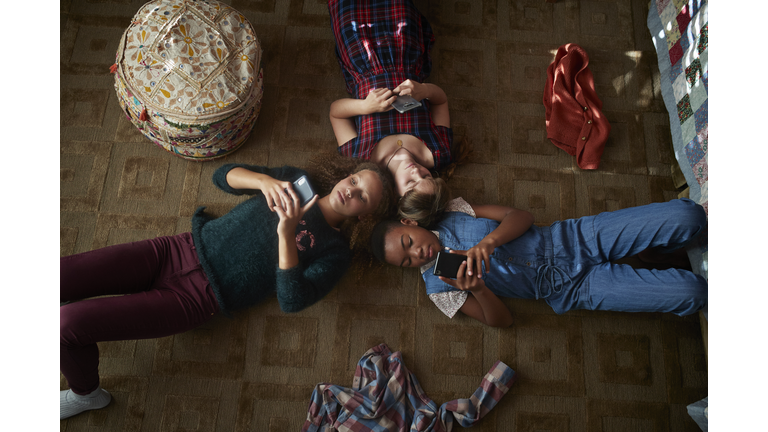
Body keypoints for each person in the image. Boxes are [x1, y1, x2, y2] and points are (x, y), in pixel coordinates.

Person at [60, 155, 395, 420]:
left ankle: (87, 394)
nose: (350, 191)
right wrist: (263, 181)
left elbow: (293, 299)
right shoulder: (296, 179)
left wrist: (285, 234)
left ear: (364, 216)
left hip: (198, 297)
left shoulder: (335, 253)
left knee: (66, 324)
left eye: (362, 196)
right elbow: (222, 175)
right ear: (345, 175)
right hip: (177, 249)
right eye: (353, 180)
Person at [370, 197, 708, 328]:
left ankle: (649, 254)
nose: (417, 255)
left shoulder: (454, 211)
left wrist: (490, 242)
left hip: (574, 237)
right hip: (570, 289)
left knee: (689, 215)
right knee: (693, 293)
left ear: (409, 224)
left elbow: (522, 216)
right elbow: (502, 323)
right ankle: (647, 258)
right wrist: (480, 289)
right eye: (407, 262)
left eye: (408, 243)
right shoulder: (438, 290)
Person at [326, 0, 453, 220]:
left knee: (345, 9)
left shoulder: (362, 160)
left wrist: (365, 106)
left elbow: (335, 112)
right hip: (405, 49)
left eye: (411, 182)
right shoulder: (438, 152)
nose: (416, 171)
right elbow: (441, 102)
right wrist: (423, 90)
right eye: (425, 176)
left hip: (361, 58)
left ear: (396, 194)